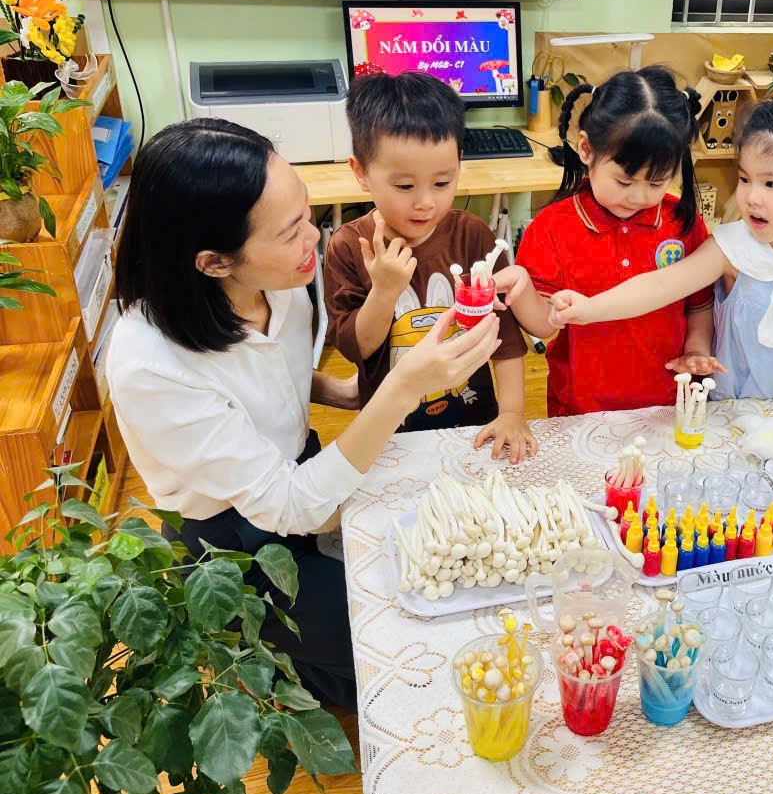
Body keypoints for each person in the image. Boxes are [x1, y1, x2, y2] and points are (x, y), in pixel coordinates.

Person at [107, 119, 502, 709]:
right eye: (291, 231)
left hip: (301, 474)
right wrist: (400, 389)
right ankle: (254, 655)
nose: (314, 238)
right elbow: (290, 506)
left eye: (307, 215)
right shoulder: (152, 365)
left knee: (450, 582)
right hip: (232, 539)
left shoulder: (283, 280)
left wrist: (344, 393)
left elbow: (272, 375)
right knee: (402, 657)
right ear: (214, 263)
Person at [548, 67, 773, 430]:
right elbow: (660, 285)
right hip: (735, 414)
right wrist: (591, 309)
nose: (751, 197)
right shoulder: (731, 248)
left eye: (771, 184)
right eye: (744, 179)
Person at [324, 71, 536, 462]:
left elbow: (503, 336)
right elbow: (359, 349)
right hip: (389, 434)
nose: (426, 202)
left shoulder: (472, 236)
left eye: (442, 183)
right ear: (361, 173)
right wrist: (384, 291)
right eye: (405, 186)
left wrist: (512, 413)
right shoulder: (348, 248)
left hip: (474, 425)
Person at [494, 66, 723, 417]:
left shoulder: (680, 221)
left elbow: (699, 305)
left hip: (667, 404)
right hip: (580, 409)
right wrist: (522, 286)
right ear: (586, 149)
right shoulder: (552, 229)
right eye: (625, 182)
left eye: (657, 182)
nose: (640, 197)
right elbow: (543, 326)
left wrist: (696, 349)